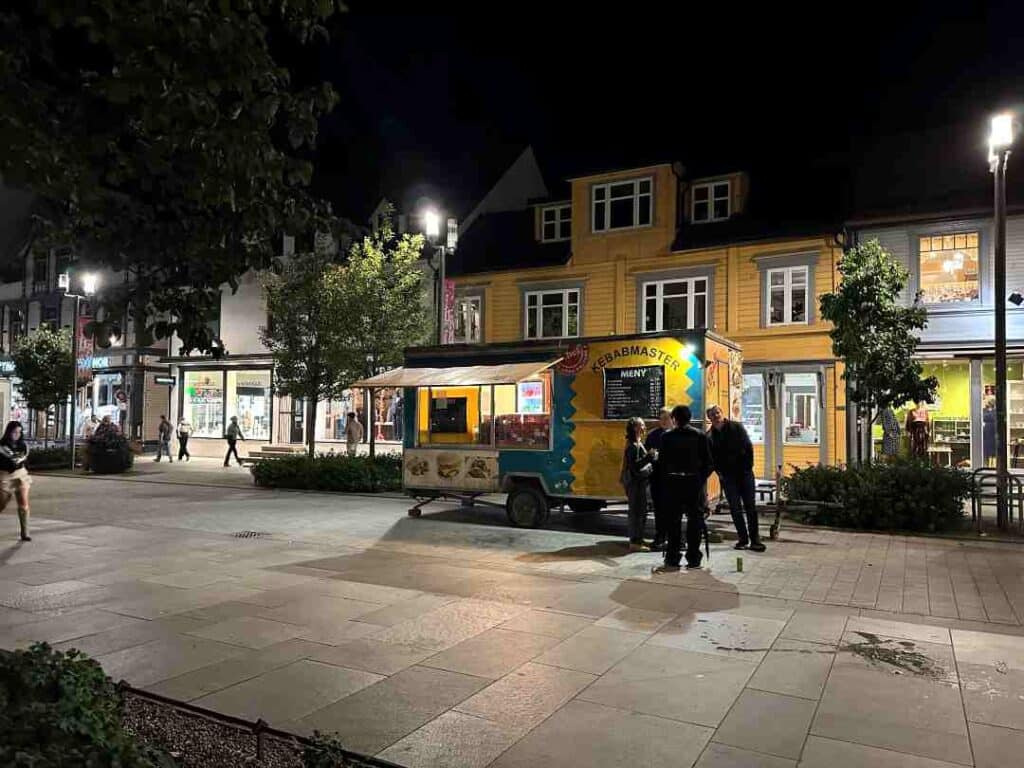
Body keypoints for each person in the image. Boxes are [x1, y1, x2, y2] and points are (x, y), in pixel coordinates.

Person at [652, 405, 713, 572]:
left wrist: (667, 481)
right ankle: (694, 558)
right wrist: (700, 478)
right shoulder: (700, 436)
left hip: (673, 484)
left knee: (673, 522)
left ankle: (672, 557)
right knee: (695, 522)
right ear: (690, 417)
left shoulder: (667, 437)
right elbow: (709, 462)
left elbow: (662, 463)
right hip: (694, 483)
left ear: (674, 419)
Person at [707, 404, 766, 553]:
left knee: (750, 507)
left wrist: (747, 467)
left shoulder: (736, 427)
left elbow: (748, 446)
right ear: (709, 418)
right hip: (728, 477)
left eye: (717, 412)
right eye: (712, 414)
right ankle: (743, 538)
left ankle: (755, 539)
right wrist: (719, 472)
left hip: (744, 474)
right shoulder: (710, 436)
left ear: (722, 413)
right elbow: (711, 457)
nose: (716, 416)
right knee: (735, 508)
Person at [621, 416, 655, 552]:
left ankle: (638, 538)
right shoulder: (632, 445)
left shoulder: (636, 442)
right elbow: (635, 467)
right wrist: (649, 457)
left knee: (641, 512)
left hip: (640, 484)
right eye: (642, 425)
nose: (644, 427)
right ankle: (635, 542)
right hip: (636, 484)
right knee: (637, 513)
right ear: (635, 428)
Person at [644, 407, 674, 551]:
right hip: (657, 478)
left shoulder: (678, 434)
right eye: (661, 418)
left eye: (666, 418)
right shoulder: (653, 435)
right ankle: (660, 537)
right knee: (659, 510)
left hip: (673, 479)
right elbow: (647, 454)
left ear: (672, 419)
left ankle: (675, 539)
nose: (663, 421)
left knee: (674, 511)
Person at [0, 421, 32, 541]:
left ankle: (25, 532)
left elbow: (24, 459)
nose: (17, 434)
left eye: (19, 432)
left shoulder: (23, 445)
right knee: (2, 502)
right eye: (14, 432)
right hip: (5, 475)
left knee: (23, 503)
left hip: (21, 474)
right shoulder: (2, 445)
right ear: (9, 432)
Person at [983, 396, 996, 467]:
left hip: (993, 431)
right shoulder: (984, 410)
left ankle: (993, 465)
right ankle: (987, 465)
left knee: (993, 449)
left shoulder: (995, 411)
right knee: (986, 449)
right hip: (986, 431)